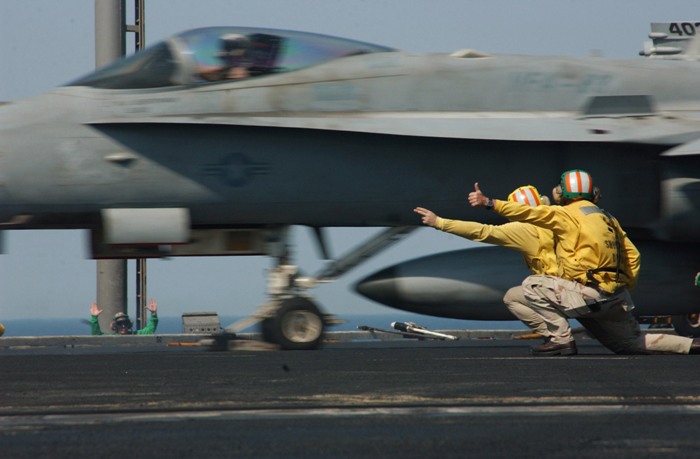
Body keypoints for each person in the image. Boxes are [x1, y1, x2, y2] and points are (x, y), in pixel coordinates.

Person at [468, 169, 700, 356]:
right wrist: (621, 288)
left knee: (532, 284)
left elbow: (531, 214)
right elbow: (633, 257)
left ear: (562, 193)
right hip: (617, 297)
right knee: (629, 343)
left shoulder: (565, 214)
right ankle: (692, 345)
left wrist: (490, 202)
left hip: (590, 296)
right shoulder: (608, 217)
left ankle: (561, 341)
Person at [414, 185, 555, 339]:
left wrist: (439, 222)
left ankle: (557, 336)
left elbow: (482, 231)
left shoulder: (524, 229)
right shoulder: (558, 218)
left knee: (512, 297)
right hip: (577, 284)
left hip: (557, 287)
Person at [90, 299, 159, 335]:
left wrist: (153, 314)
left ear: (128, 324)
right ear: (115, 325)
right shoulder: (110, 338)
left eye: (125, 323)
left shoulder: (135, 335)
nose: (123, 326)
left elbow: (150, 330)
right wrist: (94, 318)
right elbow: (96, 335)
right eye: (120, 323)